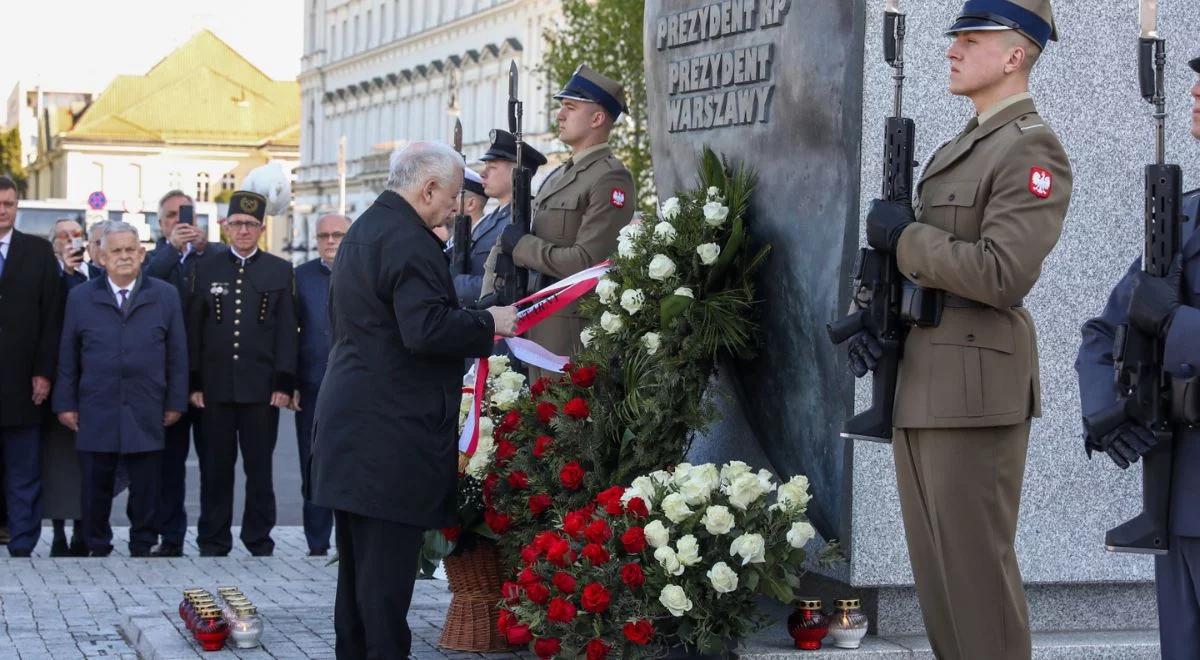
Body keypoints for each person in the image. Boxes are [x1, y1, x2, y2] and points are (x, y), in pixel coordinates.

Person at [848, 2, 1070, 658]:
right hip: (925, 382)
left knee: (977, 593)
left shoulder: (1032, 147)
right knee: (942, 593)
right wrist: (875, 307)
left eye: (972, 39)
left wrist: (906, 236)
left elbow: (1003, 273)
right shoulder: (963, 143)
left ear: (1015, 55)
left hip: (974, 394)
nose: (953, 49)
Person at [310, 142, 517, 659]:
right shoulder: (408, 240)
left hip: (352, 426)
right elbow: (424, 330)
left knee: (358, 584)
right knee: (384, 590)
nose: (455, 208)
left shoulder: (364, 230)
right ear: (427, 189)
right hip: (391, 436)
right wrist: (487, 322)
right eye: (450, 197)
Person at [1076, 55, 1200, 659]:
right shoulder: (1185, 215)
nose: (1196, 90)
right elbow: (1104, 332)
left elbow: (1160, 320)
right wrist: (1110, 410)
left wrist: (1174, 324)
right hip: (1176, 497)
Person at [481, 65, 635, 377]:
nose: (560, 115)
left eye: (570, 107)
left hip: (571, 339)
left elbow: (587, 263)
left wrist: (522, 247)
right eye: (561, 107)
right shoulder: (558, 175)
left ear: (597, 118)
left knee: (559, 423)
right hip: (535, 328)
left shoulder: (610, 177)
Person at [53, 221, 187, 557]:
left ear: (142, 254)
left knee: (146, 483)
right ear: (100, 255)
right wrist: (65, 403)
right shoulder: (80, 298)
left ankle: (143, 541)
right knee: (96, 481)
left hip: (147, 401)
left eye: (131, 250)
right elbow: (68, 353)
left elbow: (178, 354)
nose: (124, 257)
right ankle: (97, 543)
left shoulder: (165, 296)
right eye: (116, 251)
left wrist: (175, 401)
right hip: (97, 401)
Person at [187, 190, 297, 557]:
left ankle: (258, 537)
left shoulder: (279, 270)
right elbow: (195, 331)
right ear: (226, 226)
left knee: (259, 470)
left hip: (260, 388)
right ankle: (213, 538)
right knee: (215, 469)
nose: (244, 231)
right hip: (215, 389)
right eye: (237, 224)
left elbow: (286, 330)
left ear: (262, 228)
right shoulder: (206, 269)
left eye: (251, 224)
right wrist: (194, 382)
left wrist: (284, 382)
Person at [145, 190, 227, 556]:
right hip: (167, 381)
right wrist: (173, 250)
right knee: (168, 466)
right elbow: (147, 284)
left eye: (186, 216)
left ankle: (212, 538)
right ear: (161, 224)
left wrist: (203, 248)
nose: (180, 222)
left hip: (209, 380)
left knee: (214, 464)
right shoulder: (153, 259)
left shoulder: (216, 257)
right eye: (171, 217)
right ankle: (171, 537)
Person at [0, 174, 63, 556]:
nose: (1, 211)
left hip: (24, 384)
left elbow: (51, 317)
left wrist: (44, 372)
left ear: (17, 206)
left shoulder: (38, 253)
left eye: (7, 204)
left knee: (24, 471)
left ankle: (23, 543)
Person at [291, 213, 349, 556]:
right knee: (312, 462)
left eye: (338, 234)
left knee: (347, 463)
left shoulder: (365, 272)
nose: (330, 241)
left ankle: (347, 539)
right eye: (324, 235)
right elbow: (288, 332)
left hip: (354, 386)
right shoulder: (300, 277)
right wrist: (291, 380)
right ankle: (316, 542)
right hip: (312, 384)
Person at [449, 131, 547, 307]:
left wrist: (458, 284)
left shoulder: (528, 217)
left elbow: (515, 281)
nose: (483, 174)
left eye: (492, 167)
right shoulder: (489, 220)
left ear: (515, 172)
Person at [44, 218, 91, 556]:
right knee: (59, 462)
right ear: (54, 242)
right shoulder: (50, 275)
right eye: (64, 235)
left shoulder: (97, 274)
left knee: (89, 462)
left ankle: (84, 529)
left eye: (77, 235)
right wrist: (64, 271)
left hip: (95, 383)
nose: (71, 241)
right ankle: (60, 530)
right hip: (60, 379)